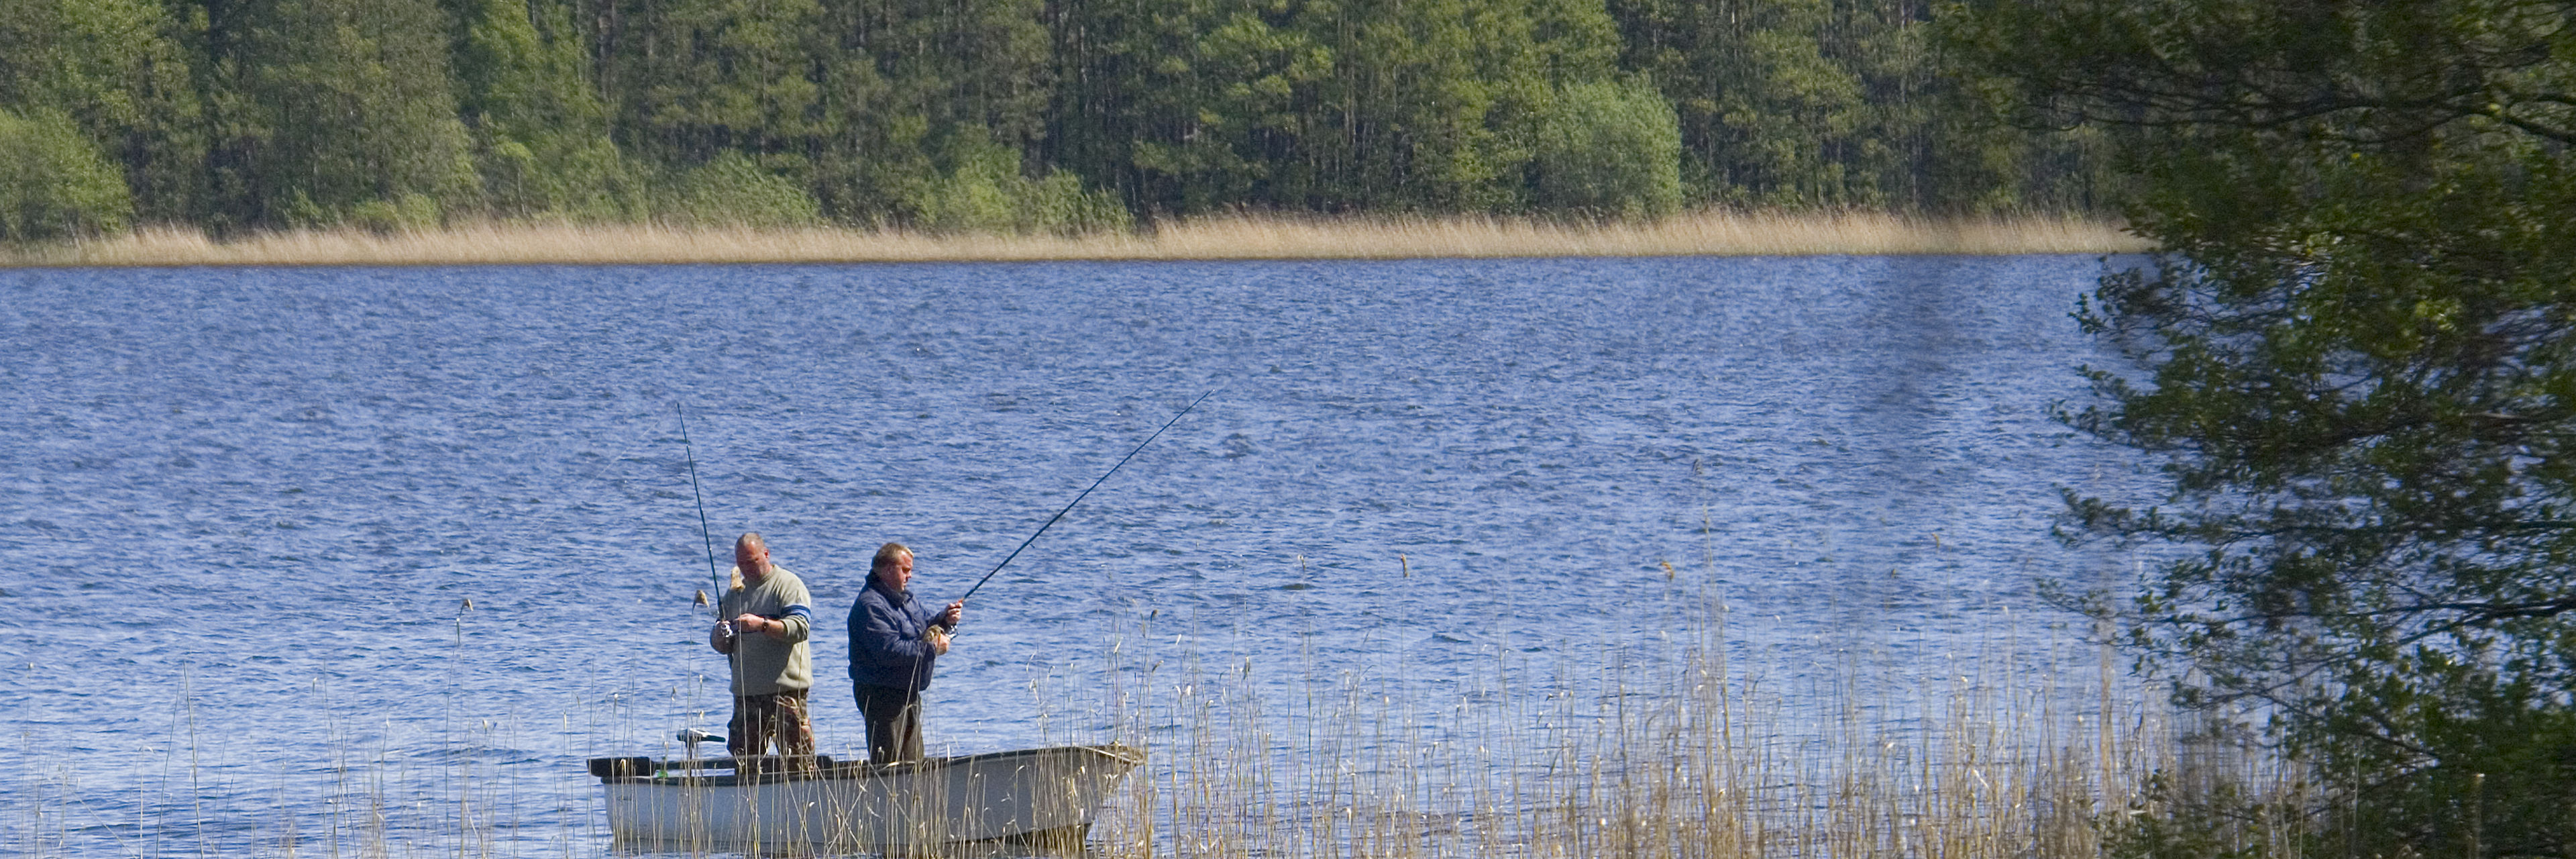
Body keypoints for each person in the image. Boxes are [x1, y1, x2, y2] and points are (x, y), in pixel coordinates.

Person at [847, 542, 964, 763]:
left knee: (913, 763)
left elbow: (925, 625)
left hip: (907, 693)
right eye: (906, 570)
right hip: (882, 697)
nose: (910, 576)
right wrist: (932, 648)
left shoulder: (906, 600)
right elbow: (890, 651)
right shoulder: (870, 606)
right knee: (889, 765)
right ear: (889, 570)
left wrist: (945, 619)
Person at [706, 532, 816, 758]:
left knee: (797, 759)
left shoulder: (788, 585)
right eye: (742, 564)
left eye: (753, 561)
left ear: (766, 554)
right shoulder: (734, 594)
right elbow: (722, 643)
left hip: (786, 692)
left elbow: (800, 628)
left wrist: (761, 625)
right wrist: (718, 636)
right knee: (744, 760)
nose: (747, 569)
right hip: (747, 695)